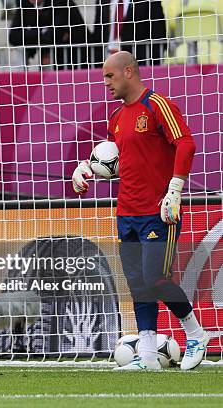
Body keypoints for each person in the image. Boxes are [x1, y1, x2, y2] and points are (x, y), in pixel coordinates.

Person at [72, 51, 208, 370]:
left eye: (110, 76)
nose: (106, 82)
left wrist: (175, 189)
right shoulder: (117, 118)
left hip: (159, 210)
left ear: (129, 72)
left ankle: (196, 333)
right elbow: (119, 162)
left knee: (156, 277)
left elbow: (185, 143)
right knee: (137, 283)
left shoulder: (157, 105)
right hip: (127, 212)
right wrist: (86, 168)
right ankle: (147, 356)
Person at [8, 0, 69, 67]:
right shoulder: (23, 5)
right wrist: (42, 32)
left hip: (68, 59)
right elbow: (13, 37)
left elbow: (57, 33)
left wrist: (30, 32)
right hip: (45, 57)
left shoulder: (60, 4)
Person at [107, 0, 167, 65]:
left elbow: (158, 32)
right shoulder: (101, 3)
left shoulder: (149, 2)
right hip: (104, 58)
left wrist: (154, 62)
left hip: (138, 62)